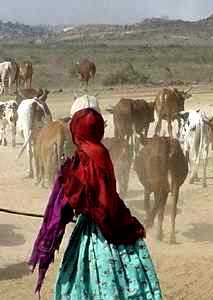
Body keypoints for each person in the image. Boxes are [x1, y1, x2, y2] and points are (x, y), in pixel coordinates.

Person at [28, 108, 163, 300]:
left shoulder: (83, 158)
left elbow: (78, 195)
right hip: (117, 221)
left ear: (77, 131)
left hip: (94, 231)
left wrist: (61, 211)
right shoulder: (102, 152)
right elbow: (105, 194)